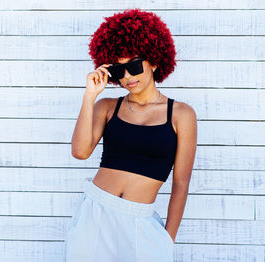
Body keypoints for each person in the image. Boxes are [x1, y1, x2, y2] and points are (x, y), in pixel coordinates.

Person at [65, 8, 197, 262]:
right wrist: (90, 95)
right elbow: (80, 152)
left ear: (155, 61)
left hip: (141, 221)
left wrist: (167, 239)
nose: (127, 76)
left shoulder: (181, 114)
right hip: (95, 213)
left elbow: (181, 183)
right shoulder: (106, 107)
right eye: (118, 70)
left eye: (135, 66)